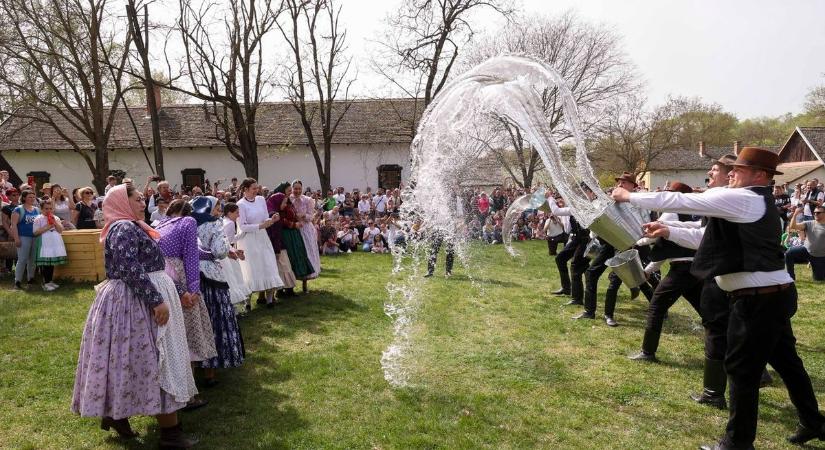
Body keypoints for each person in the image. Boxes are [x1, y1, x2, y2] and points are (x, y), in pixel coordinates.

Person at [613, 147, 825, 449]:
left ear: (760, 176)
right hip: (770, 297)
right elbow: (704, 239)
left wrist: (628, 196)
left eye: (739, 168)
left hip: (759, 301)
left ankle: (737, 443)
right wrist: (668, 231)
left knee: (741, 370)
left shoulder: (745, 197)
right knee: (788, 364)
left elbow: (684, 200)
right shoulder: (747, 202)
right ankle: (814, 423)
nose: (732, 172)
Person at [71, 184, 198, 447]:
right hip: (134, 302)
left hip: (144, 296)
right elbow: (129, 267)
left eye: (142, 199)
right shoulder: (123, 227)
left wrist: (179, 290)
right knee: (157, 360)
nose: (143, 203)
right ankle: (170, 436)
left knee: (133, 361)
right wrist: (156, 300)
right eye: (138, 199)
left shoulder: (133, 226)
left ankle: (117, 415)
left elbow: (156, 265)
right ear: (122, 202)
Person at [627, 182, 703, 361]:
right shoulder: (691, 212)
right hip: (695, 269)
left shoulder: (671, 212)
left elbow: (656, 238)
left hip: (682, 270)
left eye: (670, 193)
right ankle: (759, 369)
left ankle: (648, 352)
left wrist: (635, 243)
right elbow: (666, 247)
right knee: (710, 314)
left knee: (656, 306)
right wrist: (649, 268)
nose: (666, 196)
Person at [156, 199, 218, 409]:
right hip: (178, 277)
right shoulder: (188, 222)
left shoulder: (159, 225)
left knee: (170, 335)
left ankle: (170, 389)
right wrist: (193, 288)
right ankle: (188, 394)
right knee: (188, 335)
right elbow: (191, 255)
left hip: (160, 279)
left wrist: (209, 254)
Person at [191, 197, 245, 385]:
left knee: (196, 320)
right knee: (215, 319)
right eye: (216, 207)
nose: (219, 210)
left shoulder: (188, 222)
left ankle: (195, 365)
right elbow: (220, 251)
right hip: (211, 276)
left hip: (191, 275)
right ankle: (210, 372)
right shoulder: (214, 225)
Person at [236, 178, 284, 306]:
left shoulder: (261, 200)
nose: (256, 191)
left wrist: (271, 219)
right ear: (245, 189)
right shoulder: (240, 204)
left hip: (262, 237)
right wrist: (260, 226)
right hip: (248, 240)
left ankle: (269, 300)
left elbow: (264, 218)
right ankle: (247, 303)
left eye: (257, 188)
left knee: (268, 265)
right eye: (253, 188)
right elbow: (243, 226)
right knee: (251, 268)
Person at [266, 183, 298, 299]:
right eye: (284, 203)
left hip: (278, 245)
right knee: (284, 267)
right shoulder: (274, 216)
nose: (285, 205)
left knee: (283, 267)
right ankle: (283, 290)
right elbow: (274, 234)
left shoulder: (276, 213)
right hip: (277, 246)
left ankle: (284, 290)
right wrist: (278, 249)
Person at [220, 203, 253, 308]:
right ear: (229, 213)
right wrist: (242, 233)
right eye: (236, 213)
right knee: (236, 277)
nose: (238, 215)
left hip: (225, 252)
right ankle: (237, 307)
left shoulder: (223, 221)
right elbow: (229, 241)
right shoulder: (229, 223)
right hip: (228, 254)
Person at [33, 199, 67, 291]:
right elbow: (35, 232)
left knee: (51, 263)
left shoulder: (56, 218)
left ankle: (50, 281)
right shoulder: (38, 218)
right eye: (46, 209)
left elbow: (60, 230)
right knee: (46, 264)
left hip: (54, 242)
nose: (48, 210)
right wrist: (48, 226)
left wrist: (55, 223)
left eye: (50, 208)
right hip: (45, 242)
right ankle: (45, 282)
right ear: (41, 209)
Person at [290, 180, 321, 285]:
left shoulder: (307, 200)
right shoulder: (289, 199)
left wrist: (303, 215)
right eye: (295, 188)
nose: (297, 191)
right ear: (292, 188)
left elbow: (311, 216)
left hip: (306, 229)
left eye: (299, 188)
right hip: (293, 228)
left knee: (307, 251)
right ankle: (291, 281)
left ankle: (305, 282)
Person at [785, 205, 825, 281]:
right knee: (789, 253)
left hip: (820, 257)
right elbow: (793, 226)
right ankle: (791, 278)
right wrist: (795, 214)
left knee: (819, 279)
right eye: (814, 212)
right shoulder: (809, 223)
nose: (815, 214)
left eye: (818, 212)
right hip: (807, 251)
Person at [10, 190, 39, 289]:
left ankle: (30, 279)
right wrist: (16, 238)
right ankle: (17, 281)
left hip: (35, 237)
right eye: (29, 197)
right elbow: (13, 225)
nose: (32, 199)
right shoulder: (18, 210)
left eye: (33, 197)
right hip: (23, 237)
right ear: (24, 198)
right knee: (22, 259)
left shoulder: (36, 210)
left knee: (33, 260)